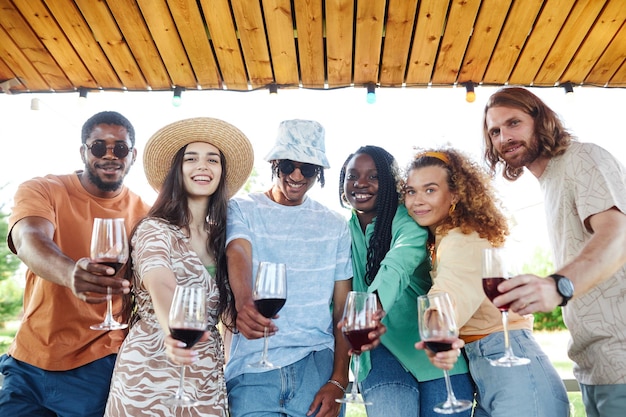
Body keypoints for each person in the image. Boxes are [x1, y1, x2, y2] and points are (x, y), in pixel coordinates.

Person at [482, 86, 626, 417]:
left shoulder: (583, 158)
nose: (504, 136)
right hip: (594, 366)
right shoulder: (551, 180)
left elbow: (618, 234)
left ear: (541, 120)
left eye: (513, 123)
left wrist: (557, 285)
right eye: (495, 131)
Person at [0, 111, 151, 416]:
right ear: (83, 151)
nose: (110, 155)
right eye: (98, 147)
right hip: (27, 361)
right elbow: (30, 239)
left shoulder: (145, 215)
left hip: (97, 365)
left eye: (120, 148)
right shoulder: (43, 189)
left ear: (132, 155)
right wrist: (71, 274)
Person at [104, 117, 254, 416]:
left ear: (221, 172)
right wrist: (175, 328)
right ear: (177, 170)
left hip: (205, 378)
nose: (203, 166)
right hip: (148, 374)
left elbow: (227, 315)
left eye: (213, 160)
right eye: (191, 159)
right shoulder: (154, 229)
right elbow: (161, 283)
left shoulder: (222, 239)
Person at [405, 148, 570, 417]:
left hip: (516, 377)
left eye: (430, 190)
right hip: (490, 372)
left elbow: (447, 296)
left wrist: (437, 334)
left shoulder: (462, 238)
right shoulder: (445, 238)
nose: (417, 201)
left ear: (455, 194)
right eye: (411, 191)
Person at [224, 119, 355, 417]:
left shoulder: (335, 225)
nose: (296, 175)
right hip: (252, 372)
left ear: (318, 172)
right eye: (287, 166)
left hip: (316, 369)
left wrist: (338, 380)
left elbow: (342, 310)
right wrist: (245, 300)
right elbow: (237, 252)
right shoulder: (241, 208)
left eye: (307, 168)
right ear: (274, 163)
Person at [338, 145, 472, 417]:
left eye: (373, 176)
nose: (360, 183)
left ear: (390, 183)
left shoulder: (407, 221)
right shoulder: (340, 231)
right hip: (378, 352)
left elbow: (396, 267)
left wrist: (365, 314)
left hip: (431, 349)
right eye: (352, 175)